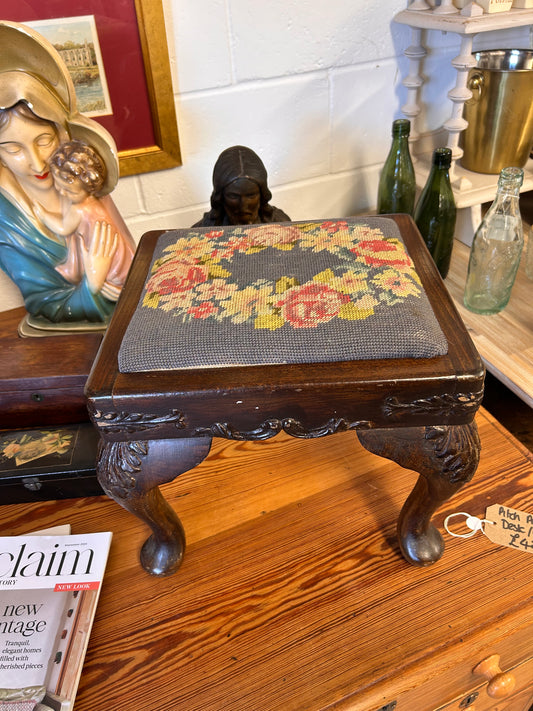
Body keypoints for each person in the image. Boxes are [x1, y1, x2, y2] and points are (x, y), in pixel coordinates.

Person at [0, 20, 134, 331]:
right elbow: (44, 305)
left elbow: (127, 263)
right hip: (78, 335)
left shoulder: (75, 179)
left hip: (129, 316)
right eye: (12, 149)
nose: (36, 163)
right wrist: (92, 283)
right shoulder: (7, 221)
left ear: (61, 134)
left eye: (43, 141)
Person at [34, 140, 135, 303]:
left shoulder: (79, 209)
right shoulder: (98, 203)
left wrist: (43, 213)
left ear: (88, 188)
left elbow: (62, 228)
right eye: (58, 186)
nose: (61, 193)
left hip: (107, 257)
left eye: (68, 191)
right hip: (119, 257)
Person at [193, 145, 290, 227]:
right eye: (233, 196)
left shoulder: (282, 225)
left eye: (251, 196)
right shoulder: (198, 234)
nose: (243, 206)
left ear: (262, 195)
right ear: (220, 196)